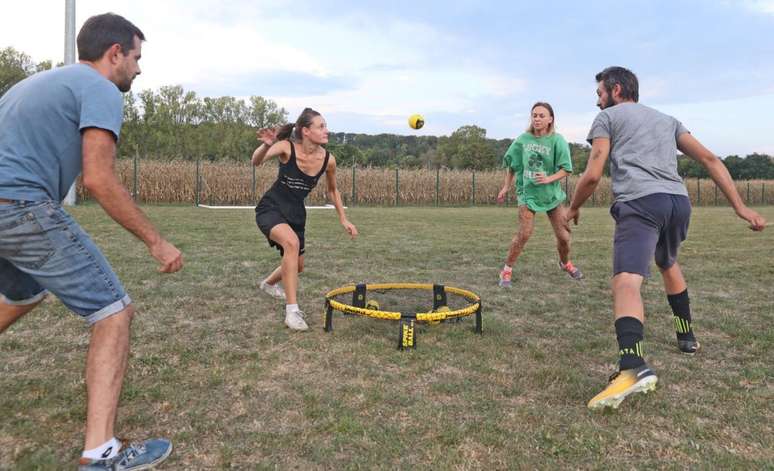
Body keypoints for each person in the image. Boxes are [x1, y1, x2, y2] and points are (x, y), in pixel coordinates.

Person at [0, 13, 182, 470]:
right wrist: (156, 241)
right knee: (114, 313)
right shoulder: (99, 88)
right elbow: (99, 179)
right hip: (19, 206)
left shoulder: (35, 83)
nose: (138, 70)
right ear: (114, 53)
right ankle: (100, 453)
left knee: (22, 294)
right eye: (136, 58)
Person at [566, 66, 767, 410]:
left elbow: (593, 172)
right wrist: (740, 207)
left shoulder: (608, 118)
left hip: (641, 203)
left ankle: (631, 367)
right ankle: (686, 337)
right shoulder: (667, 119)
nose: (597, 101)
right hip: (677, 203)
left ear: (615, 90)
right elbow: (709, 158)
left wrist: (572, 208)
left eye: (600, 93)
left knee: (627, 281)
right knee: (667, 261)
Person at [252, 108, 357, 331]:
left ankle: (268, 284)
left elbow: (332, 190)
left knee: (297, 266)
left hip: (296, 214)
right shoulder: (286, 147)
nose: (326, 130)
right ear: (306, 131)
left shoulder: (328, 160)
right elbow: (256, 161)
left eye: (325, 126)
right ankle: (292, 312)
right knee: (291, 243)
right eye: (321, 126)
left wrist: (343, 219)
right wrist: (266, 145)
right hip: (271, 208)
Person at [496, 102, 583, 288]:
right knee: (524, 233)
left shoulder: (557, 141)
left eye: (541, 115)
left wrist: (548, 178)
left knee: (564, 237)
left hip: (551, 195)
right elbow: (512, 165)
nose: (537, 118)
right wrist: (506, 187)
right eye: (534, 115)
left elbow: (566, 169)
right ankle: (506, 270)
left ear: (550, 119)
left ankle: (565, 263)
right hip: (527, 194)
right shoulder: (523, 140)